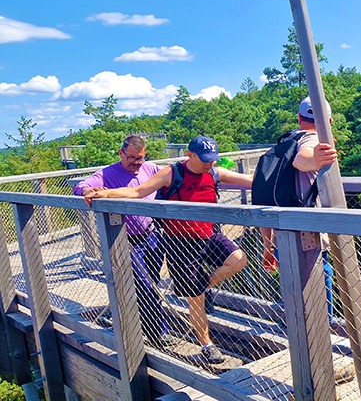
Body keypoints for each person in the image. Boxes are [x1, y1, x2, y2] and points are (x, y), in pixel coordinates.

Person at [84, 135, 254, 364]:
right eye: (205, 159)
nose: (210, 164)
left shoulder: (214, 173)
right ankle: (207, 345)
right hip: (180, 242)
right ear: (190, 155)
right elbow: (137, 192)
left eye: (213, 159)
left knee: (239, 258)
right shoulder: (171, 174)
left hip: (209, 235)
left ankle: (201, 284)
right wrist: (105, 193)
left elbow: (251, 180)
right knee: (196, 299)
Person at [74, 135, 170, 347]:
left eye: (140, 158)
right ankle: (158, 332)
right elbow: (82, 185)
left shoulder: (151, 169)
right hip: (124, 240)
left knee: (151, 283)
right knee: (145, 286)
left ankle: (140, 324)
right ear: (120, 153)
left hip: (152, 236)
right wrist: (88, 191)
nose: (137, 163)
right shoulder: (107, 174)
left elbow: (172, 177)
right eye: (132, 158)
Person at [260, 97, 338, 318]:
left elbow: (265, 196)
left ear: (298, 118)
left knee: (292, 286)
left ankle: (292, 329)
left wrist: (267, 246)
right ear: (329, 122)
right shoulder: (312, 139)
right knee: (319, 284)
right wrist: (316, 159)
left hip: (282, 231)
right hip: (308, 234)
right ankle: (322, 334)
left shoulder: (286, 141)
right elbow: (302, 159)